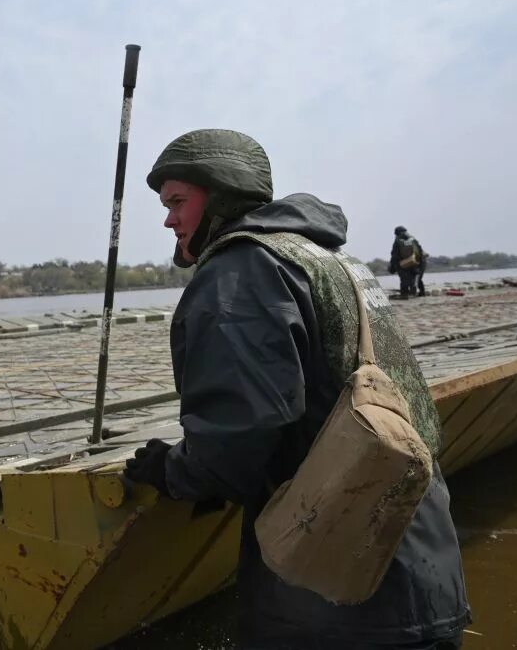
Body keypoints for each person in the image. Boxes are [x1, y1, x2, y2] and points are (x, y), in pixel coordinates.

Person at [124, 130, 469, 649]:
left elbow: (236, 439)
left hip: (338, 594)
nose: (168, 218)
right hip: (422, 553)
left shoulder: (241, 271)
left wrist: (172, 472)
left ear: (221, 196)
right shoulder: (333, 260)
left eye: (177, 201)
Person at [389, 226, 425, 298]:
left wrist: (392, 267)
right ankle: (421, 292)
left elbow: (394, 255)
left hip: (403, 264)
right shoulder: (413, 239)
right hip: (415, 262)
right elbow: (420, 251)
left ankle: (404, 294)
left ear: (396, 233)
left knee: (404, 279)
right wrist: (419, 264)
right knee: (417, 278)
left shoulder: (397, 241)